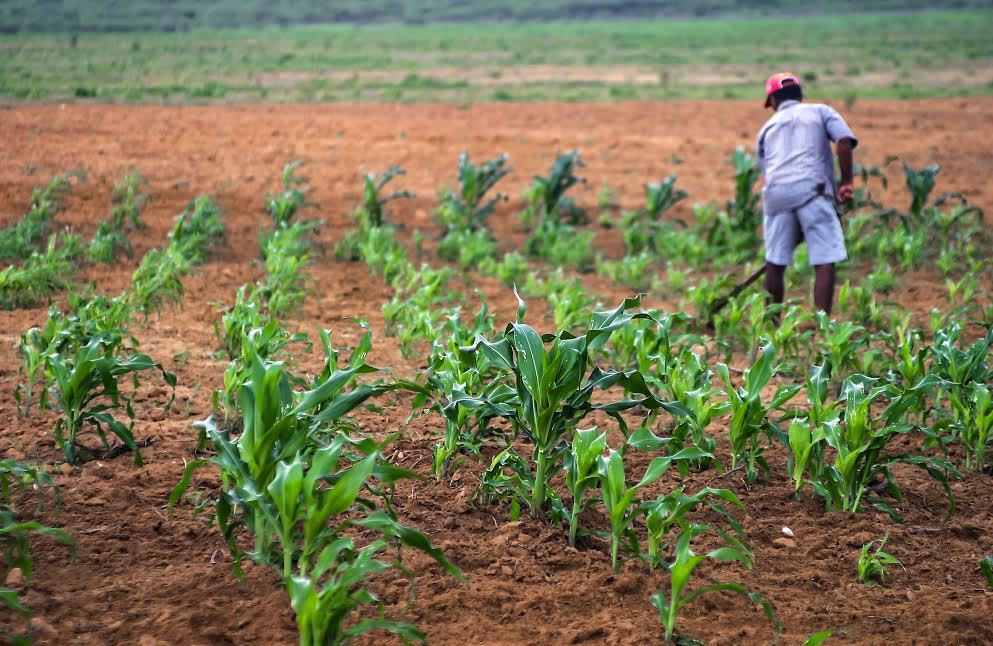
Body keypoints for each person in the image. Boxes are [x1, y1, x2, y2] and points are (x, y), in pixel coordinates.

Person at [756, 72, 857, 315]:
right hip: (814, 193)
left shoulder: (767, 128)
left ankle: (772, 327)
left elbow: (767, 170)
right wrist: (846, 182)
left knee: (775, 261)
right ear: (800, 96)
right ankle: (821, 325)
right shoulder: (821, 112)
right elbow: (843, 141)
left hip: (777, 197)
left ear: (773, 101)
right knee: (824, 259)